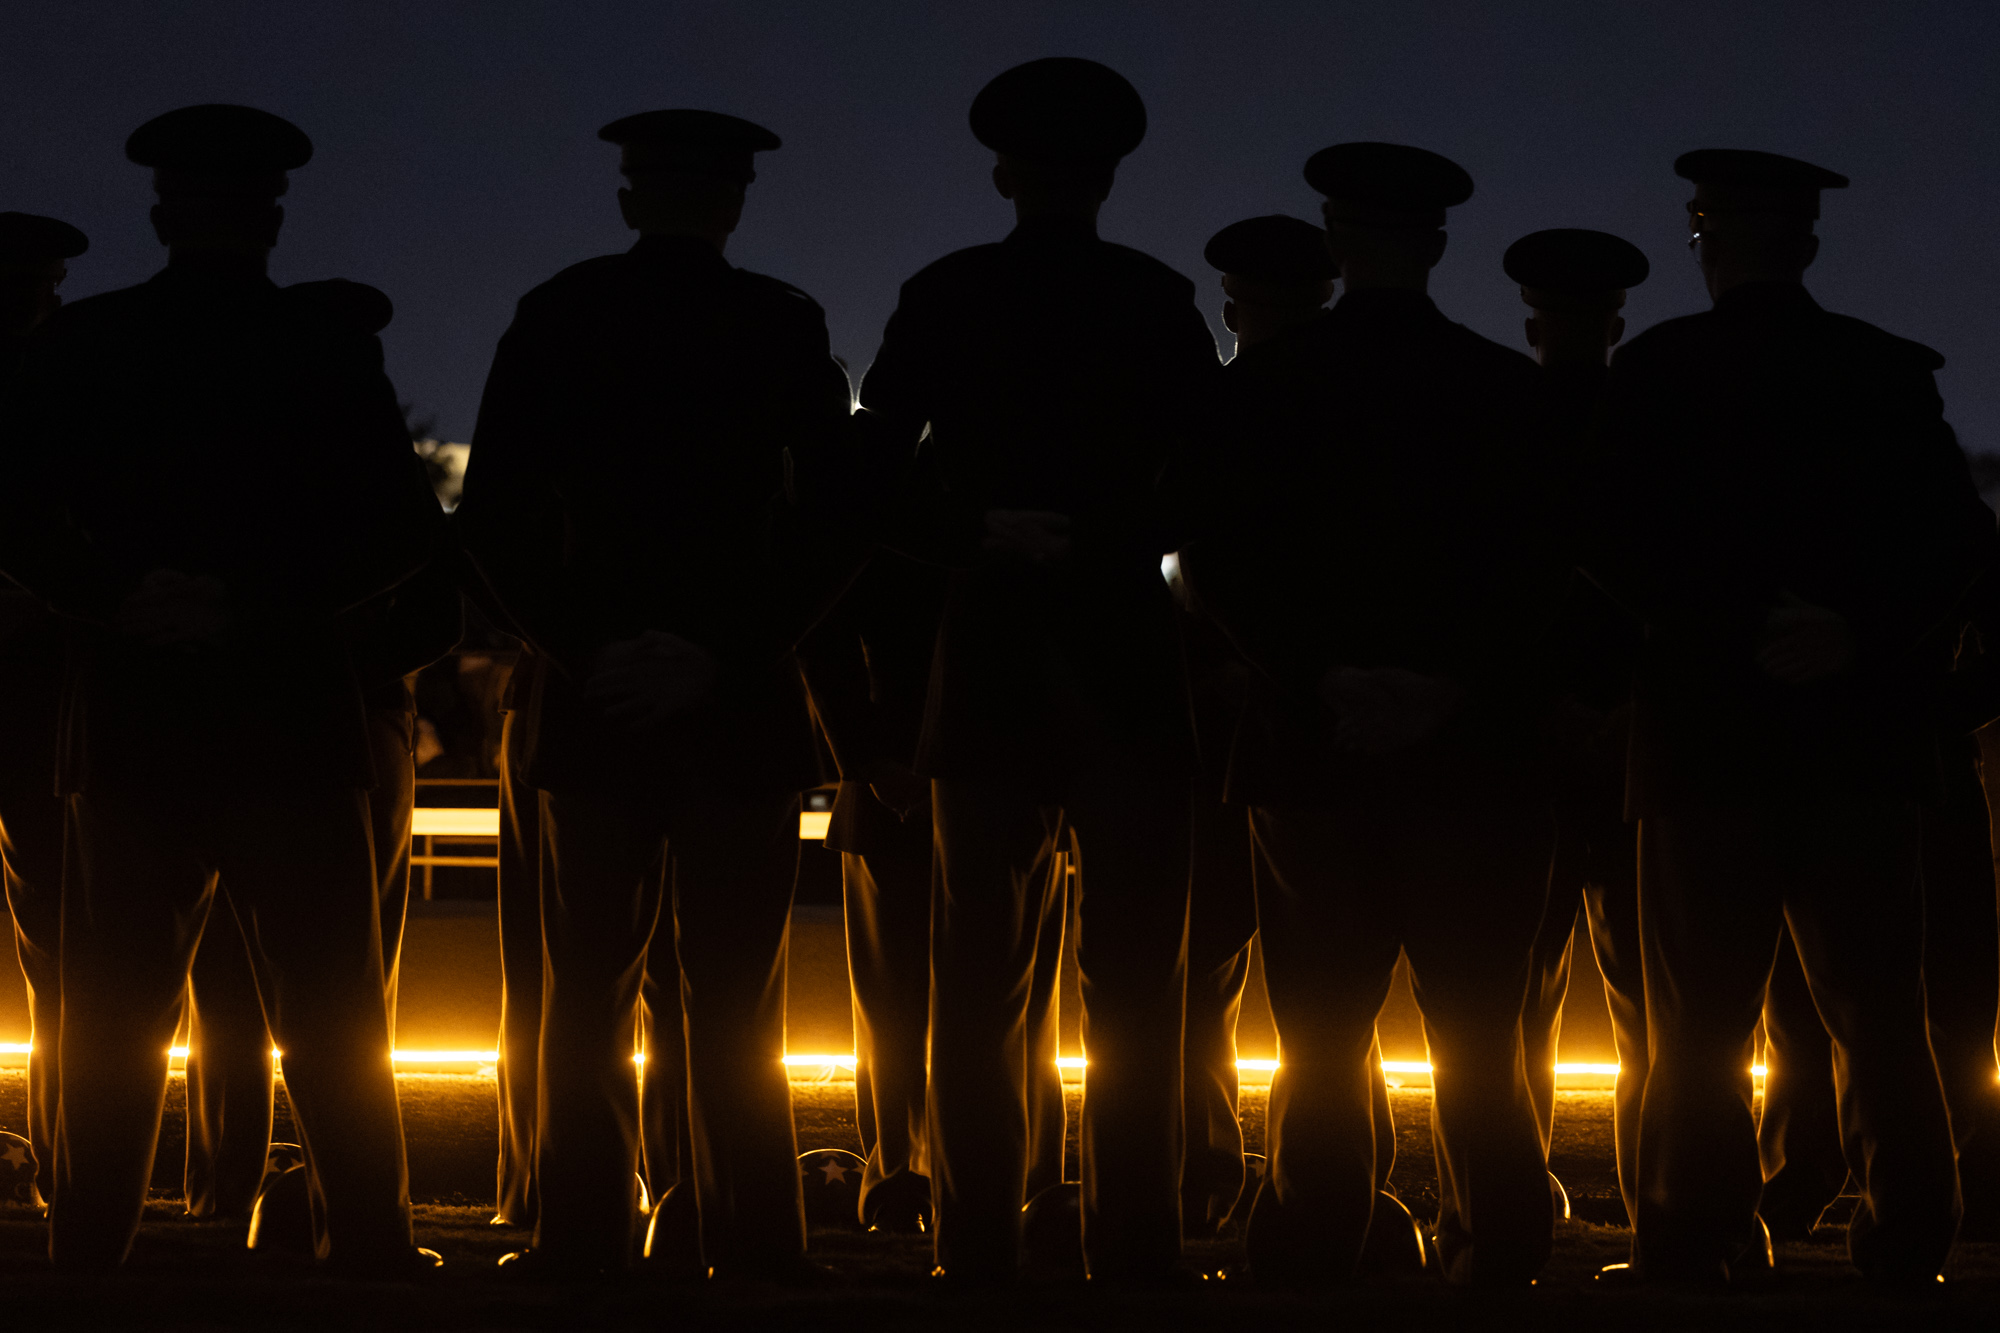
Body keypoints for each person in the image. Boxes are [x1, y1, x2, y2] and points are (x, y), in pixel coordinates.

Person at [0, 104, 447, 1273]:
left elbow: (10, 509)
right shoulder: (325, 352)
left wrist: (120, 594)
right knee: (334, 1013)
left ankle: (88, 1246)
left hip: (140, 715)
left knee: (111, 1011)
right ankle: (373, 1241)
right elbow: (401, 532)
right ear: (272, 217)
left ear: (160, 212)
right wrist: (259, 605)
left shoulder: (87, 345)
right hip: (289, 717)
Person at [1584, 148, 1995, 1286]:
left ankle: (1689, 1234)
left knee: (1698, 1017)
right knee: (1878, 1009)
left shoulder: (1656, 370)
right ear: (1805, 245)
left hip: (1705, 740)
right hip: (1854, 740)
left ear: (1704, 242)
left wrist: (1728, 632)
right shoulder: (1880, 372)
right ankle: (1905, 1232)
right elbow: (1962, 545)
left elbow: (1602, 542)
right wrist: (1853, 631)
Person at [454, 108, 851, 1280]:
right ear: (730, 205)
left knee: (581, 993)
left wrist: (592, 650)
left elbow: (494, 524)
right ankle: (748, 1234)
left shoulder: (560, 315)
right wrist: (723, 653)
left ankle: (577, 1238)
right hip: (735, 705)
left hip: (596, 704)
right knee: (735, 995)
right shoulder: (782, 326)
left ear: (629, 199)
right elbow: (829, 529)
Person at [860, 58, 1221, 1284]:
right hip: (1119, 652)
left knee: (974, 977)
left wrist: (975, 533)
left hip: (991, 661)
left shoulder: (947, 293)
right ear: (1107, 176)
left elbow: (870, 471)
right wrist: (1105, 534)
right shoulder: (1156, 300)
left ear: (1003, 173)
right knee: (1135, 981)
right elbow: (1214, 482)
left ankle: (974, 1238)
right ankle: (1134, 1238)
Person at [1183, 141, 1566, 1287]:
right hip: (1474, 757)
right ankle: (1500, 1238)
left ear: (1335, 246)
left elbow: (1219, 560)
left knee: (1318, 1029)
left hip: (1315, 751)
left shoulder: (1264, 387)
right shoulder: (1508, 392)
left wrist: (1318, 680)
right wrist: (1452, 690)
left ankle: (1312, 1238)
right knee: (1479, 1031)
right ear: (1436, 246)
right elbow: (1549, 574)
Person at [179, 280, 462, 1221]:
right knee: (338, 966)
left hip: (316, 713)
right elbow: (430, 600)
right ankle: (328, 1196)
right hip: (345, 715)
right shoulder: (352, 478)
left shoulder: (255, 468)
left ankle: (236, 1183)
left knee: (257, 972)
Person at [1501, 227, 1651, 1226]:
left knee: (1514, 997)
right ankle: (1666, 1205)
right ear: (1615, 322)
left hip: (1525, 735)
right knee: (1658, 1006)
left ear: (1529, 324)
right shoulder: (1658, 434)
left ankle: (1511, 1196)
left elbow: (1480, 587)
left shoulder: (1491, 432)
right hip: (1640, 735)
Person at [0, 210, 88, 1210]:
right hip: (38, 693)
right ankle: (68, 1158)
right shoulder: (68, 396)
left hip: (37, 689)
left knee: (64, 939)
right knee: (62, 942)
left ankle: (66, 1157)